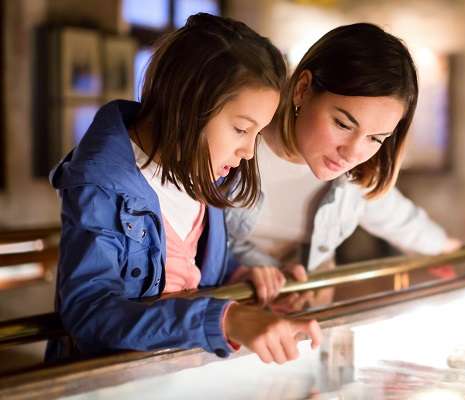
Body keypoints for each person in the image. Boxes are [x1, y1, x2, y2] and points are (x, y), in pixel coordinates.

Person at [46, 13, 321, 365]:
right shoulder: (101, 186)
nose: (249, 152)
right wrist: (225, 318)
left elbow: (185, 267)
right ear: (188, 106)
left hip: (177, 374)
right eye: (240, 129)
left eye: (257, 133)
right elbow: (90, 313)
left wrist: (240, 275)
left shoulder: (204, 172)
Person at [226, 23, 461, 308]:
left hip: (297, 323)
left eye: (376, 138)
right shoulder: (232, 151)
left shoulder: (358, 176)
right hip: (225, 318)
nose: (353, 152)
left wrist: (449, 251)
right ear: (302, 89)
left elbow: (400, 219)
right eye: (342, 124)